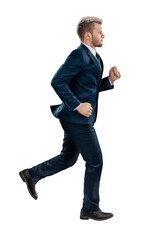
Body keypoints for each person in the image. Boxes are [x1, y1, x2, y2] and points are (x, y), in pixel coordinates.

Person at [19, 16, 121, 221]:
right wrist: (77, 105)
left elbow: (87, 88)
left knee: (68, 158)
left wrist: (108, 81)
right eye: (100, 32)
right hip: (76, 119)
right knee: (95, 160)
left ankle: (32, 174)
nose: (103, 35)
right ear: (88, 34)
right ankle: (90, 208)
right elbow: (57, 81)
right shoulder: (78, 55)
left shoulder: (95, 57)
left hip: (78, 118)